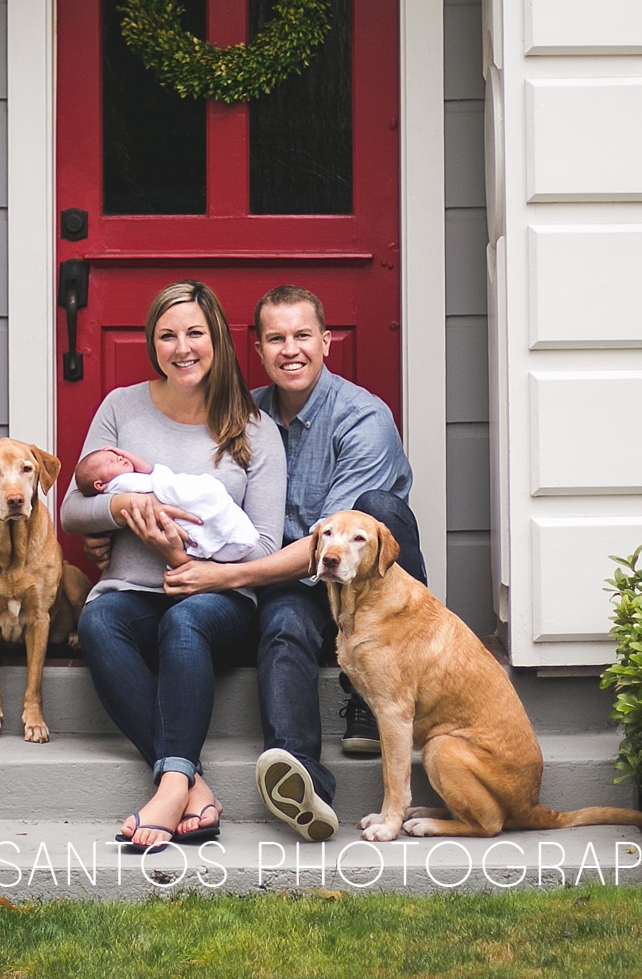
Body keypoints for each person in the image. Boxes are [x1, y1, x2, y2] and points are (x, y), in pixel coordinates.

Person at [160, 284, 428, 842]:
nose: (291, 350)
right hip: (289, 581)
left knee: (378, 509)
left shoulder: (362, 417)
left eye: (303, 335)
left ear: (327, 342)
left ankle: (367, 695)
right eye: (275, 338)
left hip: (365, 587)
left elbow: (334, 547)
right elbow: (199, 499)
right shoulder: (245, 416)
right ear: (257, 349)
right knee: (281, 625)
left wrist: (227, 575)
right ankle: (301, 778)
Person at [60, 280, 286, 852]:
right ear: (152, 344)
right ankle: (187, 781)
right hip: (134, 590)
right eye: (167, 336)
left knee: (182, 623)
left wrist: (196, 568)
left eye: (194, 334)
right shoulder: (120, 407)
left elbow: (264, 546)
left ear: (217, 341)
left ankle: (169, 787)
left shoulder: (254, 428)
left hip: (219, 598)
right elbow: (71, 509)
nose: (182, 348)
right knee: (97, 622)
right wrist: (124, 504)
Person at [72, 446, 260, 563]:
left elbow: (149, 472)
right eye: (111, 461)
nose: (120, 459)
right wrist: (139, 504)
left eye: (118, 456)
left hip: (221, 580)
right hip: (129, 586)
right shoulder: (119, 484)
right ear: (100, 485)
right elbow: (72, 513)